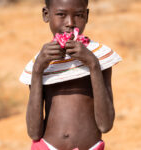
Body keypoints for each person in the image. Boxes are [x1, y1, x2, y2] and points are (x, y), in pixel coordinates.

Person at [19, 0, 122, 149]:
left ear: (86, 15)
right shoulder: (39, 63)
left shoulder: (99, 56)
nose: (70, 23)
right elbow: (34, 132)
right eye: (61, 14)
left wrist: (93, 65)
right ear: (46, 14)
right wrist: (38, 70)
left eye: (79, 15)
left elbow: (105, 125)